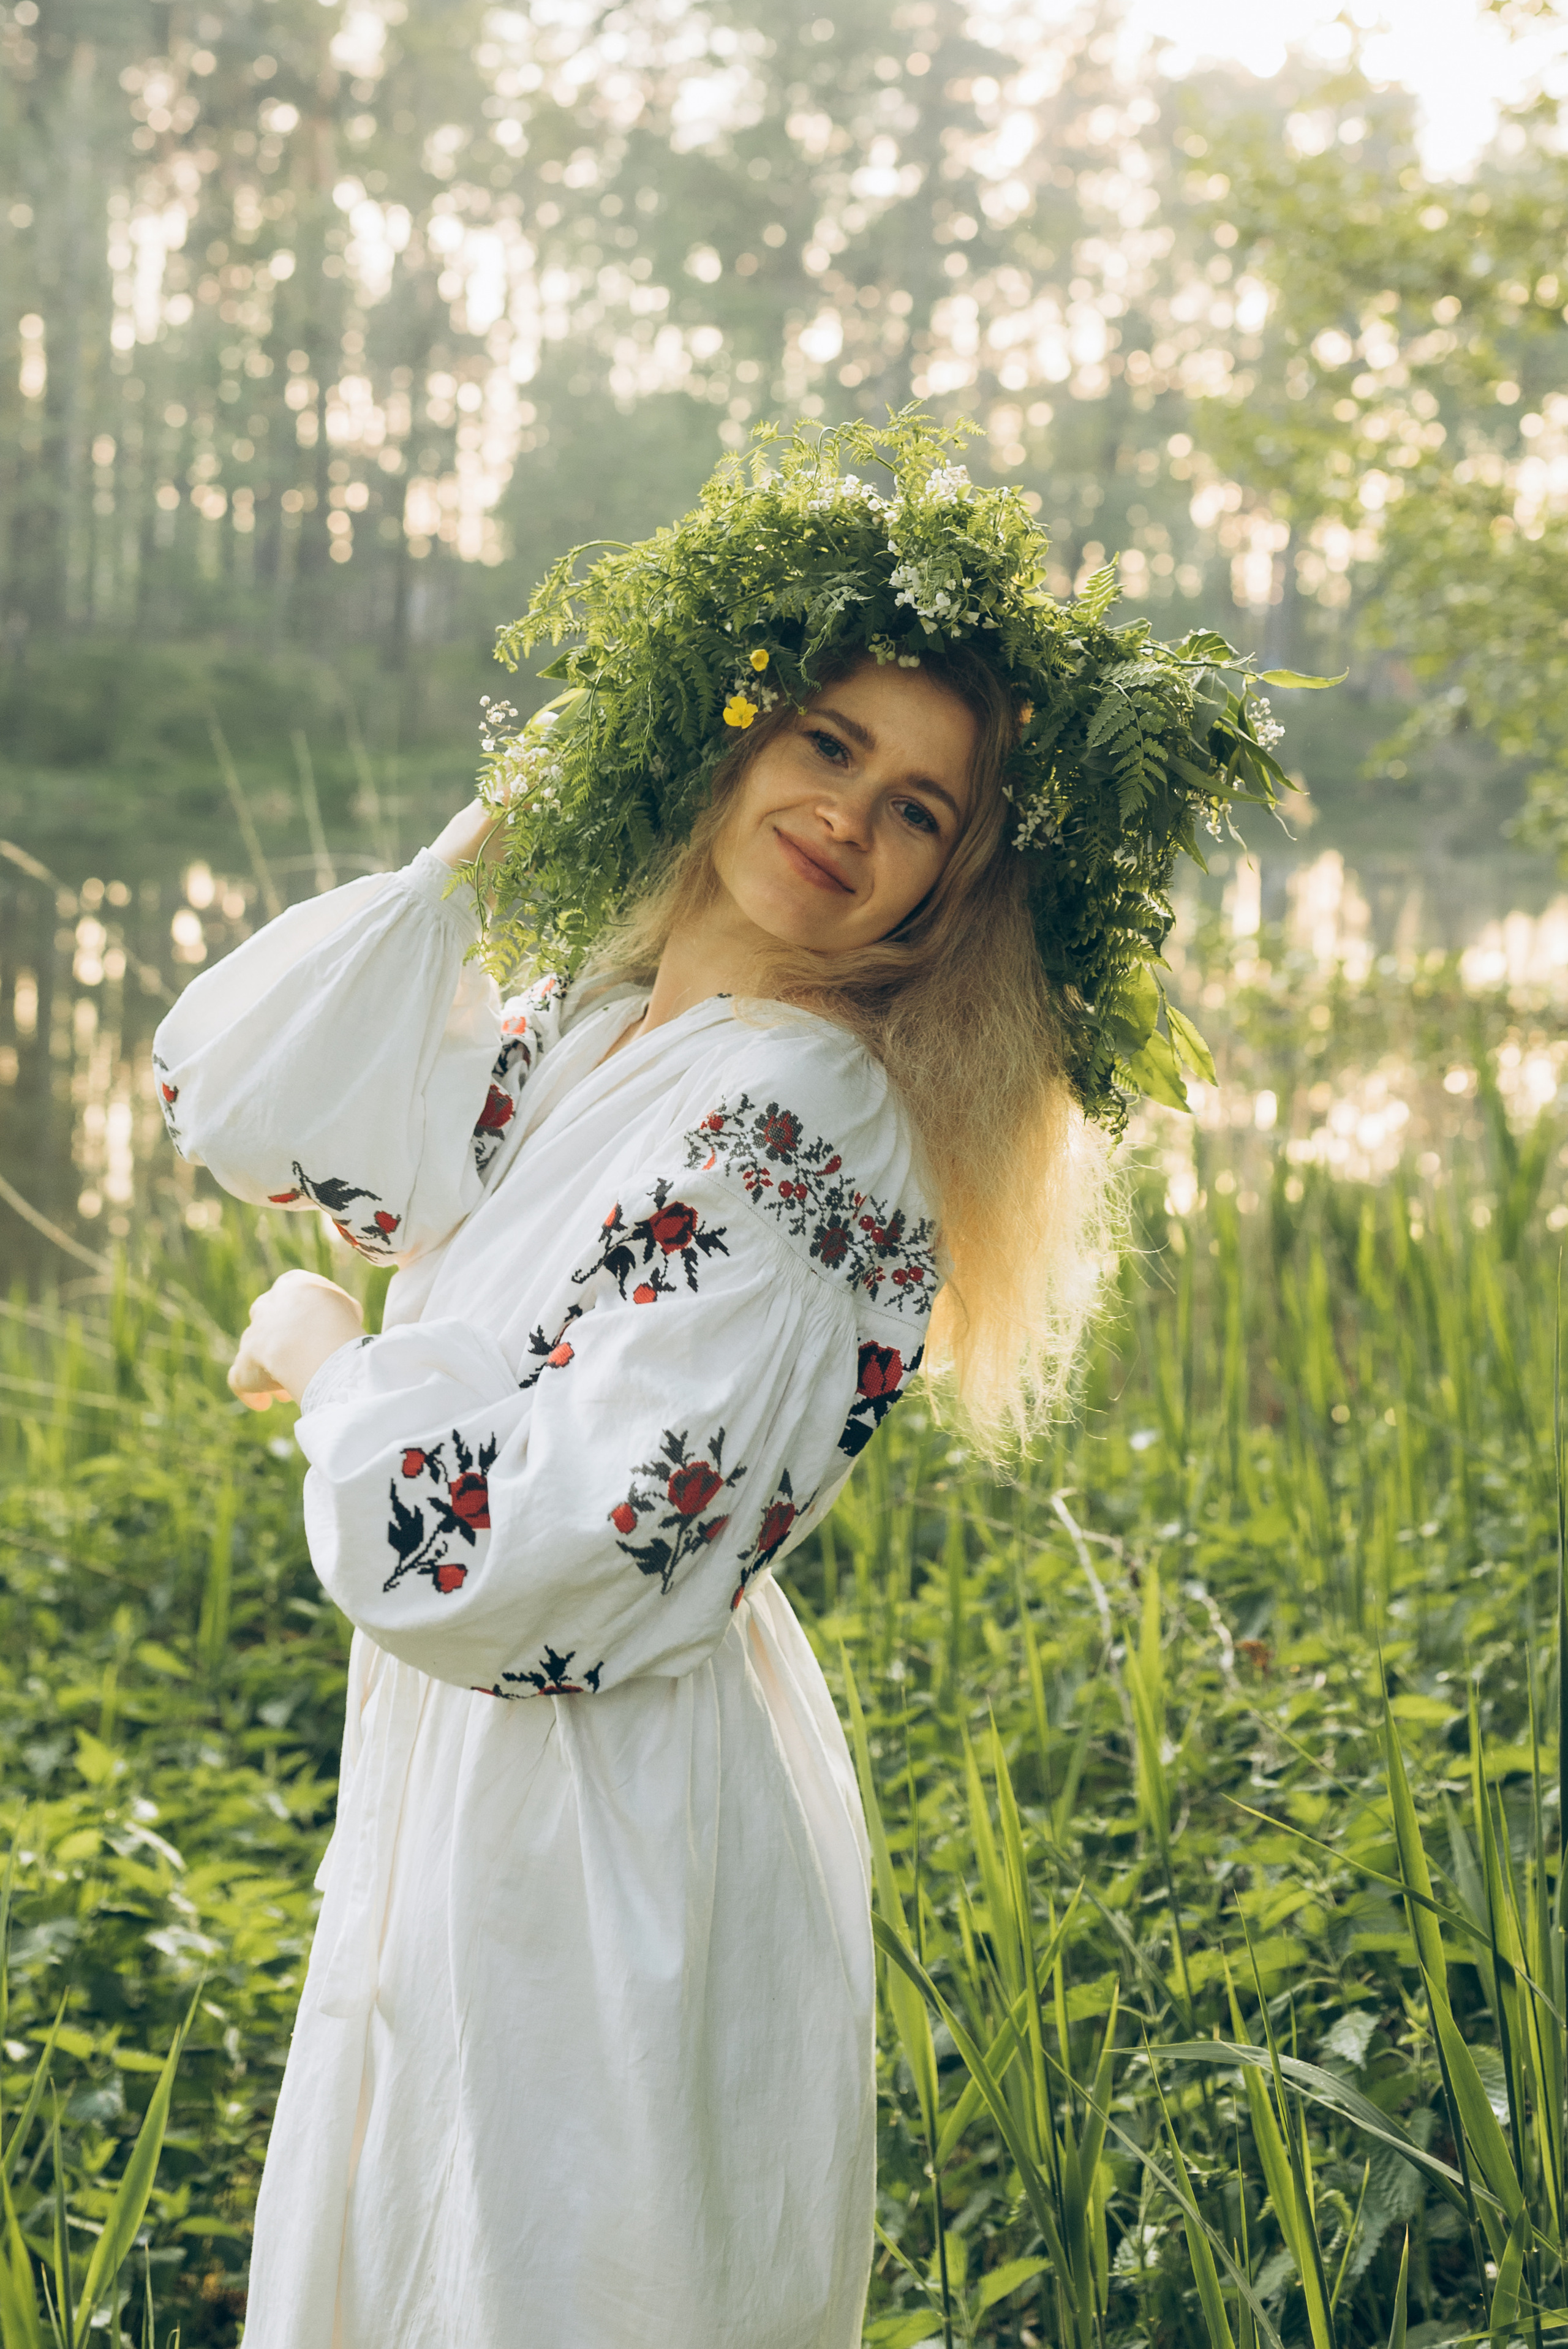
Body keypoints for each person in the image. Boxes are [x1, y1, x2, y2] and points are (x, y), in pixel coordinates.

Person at [151, 416, 1289, 2348]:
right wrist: (494, 831)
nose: (853, 813)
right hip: (491, 1779)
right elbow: (240, 1094)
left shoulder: (804, 1111)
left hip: (606, 1811)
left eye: (924, 807)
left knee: (554, 2275)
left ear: (950, 886)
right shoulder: (616, 1025)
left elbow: (533, 1553)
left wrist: (341, 1367)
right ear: (734, 727)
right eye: (827, 740)